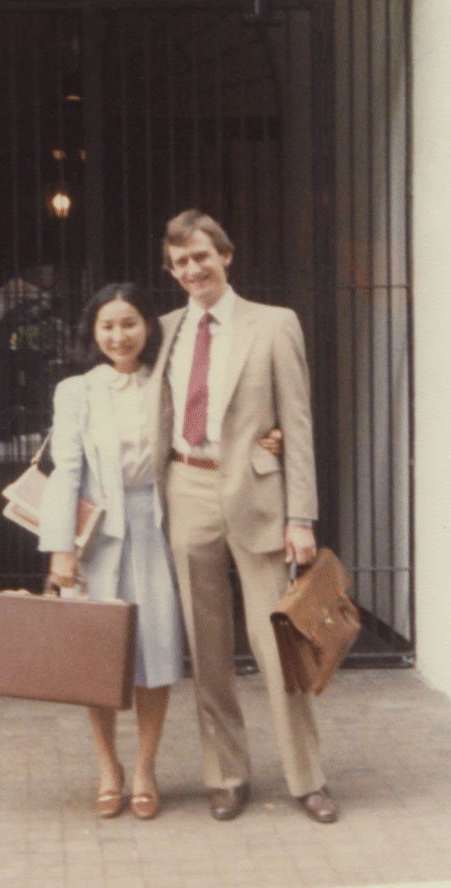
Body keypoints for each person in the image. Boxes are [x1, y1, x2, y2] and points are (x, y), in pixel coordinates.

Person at [37, 282, 283, 821]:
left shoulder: (165, 382)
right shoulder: (76, 391)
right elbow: (65, 473)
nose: (119, 335)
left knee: (156, 655)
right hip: (97, 537)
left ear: (147, 328)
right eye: (108, 325)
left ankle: (145, 768)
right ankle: (108, 768)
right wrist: (61, 551)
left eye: (129, 323)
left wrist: (267, 439)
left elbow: (218, 422)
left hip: (156, 529)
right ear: (93, 332)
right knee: (93, 658)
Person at [147, 209, 337, 824]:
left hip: (257, 497)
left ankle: (306, 779)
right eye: (180, 262)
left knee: (277, 642)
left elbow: (298, 425)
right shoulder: (166, 328)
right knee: (207, 648)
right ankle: (226, 775)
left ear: (226, 255)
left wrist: (300, 514)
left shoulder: (274, 324)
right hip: (187, 488)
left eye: (201, 256)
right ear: (171, 271)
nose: (192, 269)